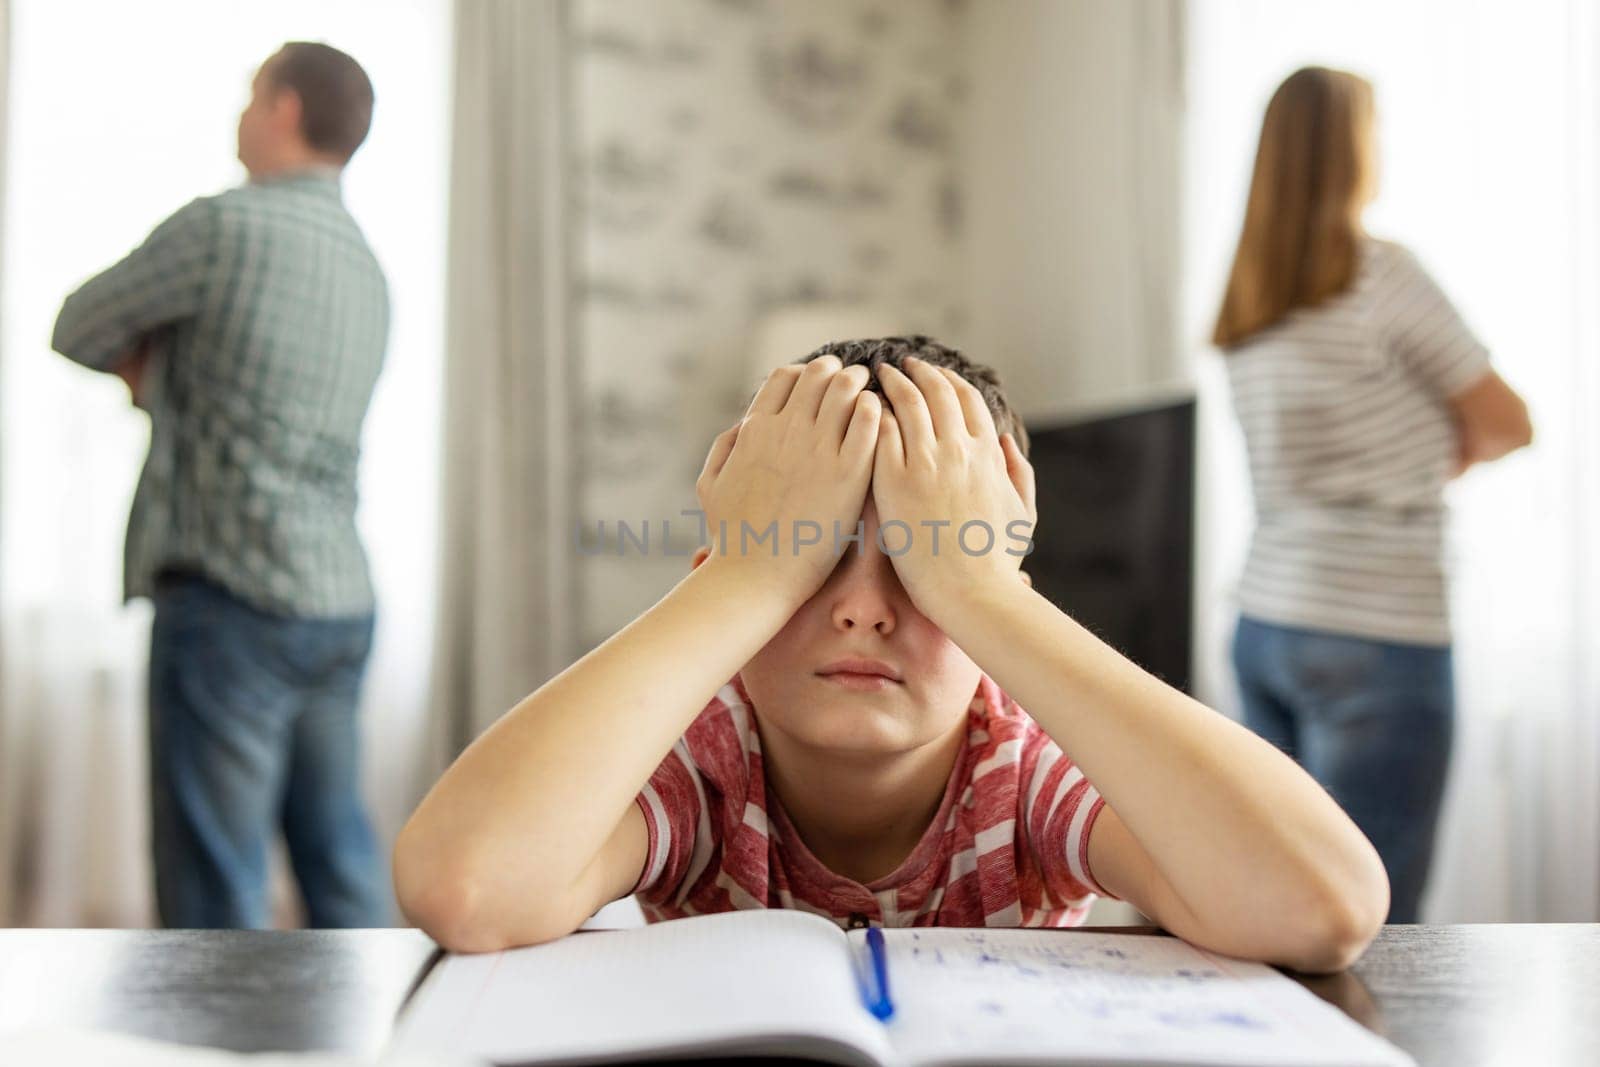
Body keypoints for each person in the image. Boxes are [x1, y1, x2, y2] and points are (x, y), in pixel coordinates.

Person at [395, 336, 1390, 973]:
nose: (864, 611)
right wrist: (737, 577)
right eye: (814, 559)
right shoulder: (703, 763)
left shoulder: (1022, 767)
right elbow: (467, 887)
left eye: (919, 567)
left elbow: (1321, 904)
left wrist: (982, 585)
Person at [51, 43, 391, 928]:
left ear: (282, 108)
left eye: (250, 95)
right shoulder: (366, 266)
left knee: (216, 890)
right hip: (339, 600)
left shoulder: (223, 229)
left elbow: (79, 326)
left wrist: (155, 377)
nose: (240, 114)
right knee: (340, 863)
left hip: (232, 599)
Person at [1212, 68, 1534, 923]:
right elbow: (1509, 422)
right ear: (1352, 148)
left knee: (1279, 901)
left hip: (1267, 615)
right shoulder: (1381, 273)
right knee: (1374, 918)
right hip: (1377, 625)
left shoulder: (1249, 295)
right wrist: (1429, 454)